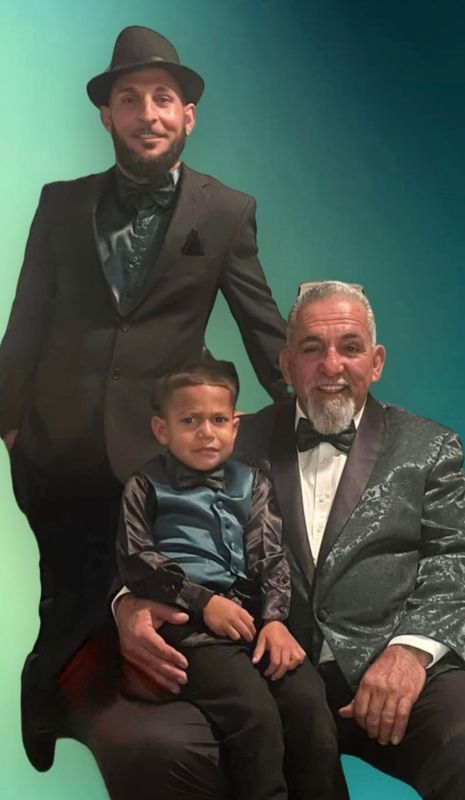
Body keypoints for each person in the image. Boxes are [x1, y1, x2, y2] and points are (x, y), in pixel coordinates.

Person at [0, 24, 287, 783]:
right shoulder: (60, 205)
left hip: (156, 454)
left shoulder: (224, 211)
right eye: (130, 99)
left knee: (155, 589)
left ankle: (166, 736)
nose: (148, 112)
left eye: (163, 98)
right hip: (53, 445)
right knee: (67, 590)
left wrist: (307, 415)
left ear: (187, 114)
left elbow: (262, 326)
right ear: (107, 116)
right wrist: (10, 426)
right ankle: (46, 691)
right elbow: (25, 320)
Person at [124, 281, 465, 800]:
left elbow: (454, 562)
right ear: (285, 365)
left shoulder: (432, 446)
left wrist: (409, 655)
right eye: (312, 349)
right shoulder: (228, 439)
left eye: (349, 347)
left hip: (391, 664)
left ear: (375, 362)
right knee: (159, 749)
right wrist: (125, 603)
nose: (331, 365)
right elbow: (153, 522)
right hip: (263, 667)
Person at [116, 359, 349, 800]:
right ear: (162, 429)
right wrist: (203, 602)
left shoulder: (253, 480)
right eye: (190, 420)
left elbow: (271, 555)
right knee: (255, 716)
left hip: (257, 621)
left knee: (310, 706)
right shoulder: (144, 486)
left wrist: (277, 620)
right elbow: (137, 559)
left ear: (235, 425)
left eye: (218, 420)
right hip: (193, 628)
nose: (207, 432)